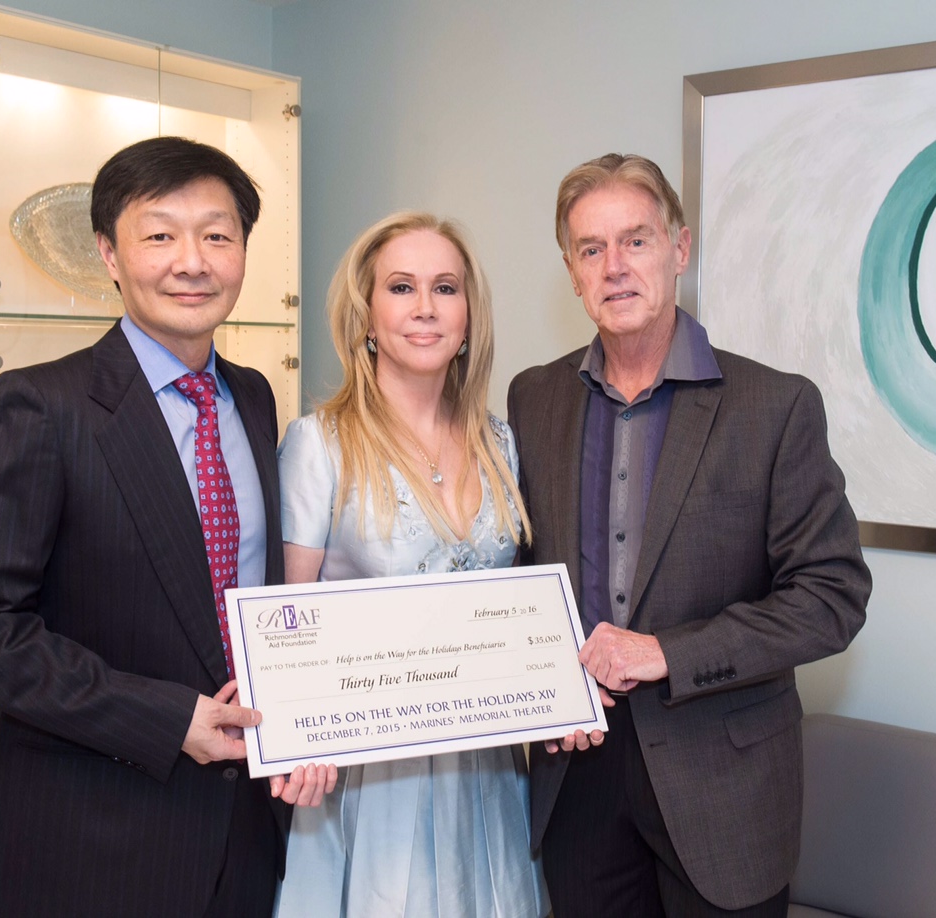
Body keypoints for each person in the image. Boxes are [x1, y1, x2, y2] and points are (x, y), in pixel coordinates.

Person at [0, 136, 329, 918]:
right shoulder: (39, 407)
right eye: (160, 235)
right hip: (93, 843)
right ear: (109, 253)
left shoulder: (251, 396)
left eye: (217, 235)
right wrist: (167, 719)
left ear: (244, 252)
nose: (192, 262)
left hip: (245, 832)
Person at [507, 154, 872, 916]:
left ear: (679, 249)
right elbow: (518, 570)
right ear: (572, 272)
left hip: (723, 787)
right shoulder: (533, 398)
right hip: (578, 772)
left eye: (635, 241)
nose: (614, 267)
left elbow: (831, 598)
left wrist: (667, 652)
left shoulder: (774, 406)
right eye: (591, 248)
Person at [273, 212, 549, 917]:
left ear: (468, 316)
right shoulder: (318, 444)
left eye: (445, 288)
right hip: (368, 782)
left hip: (490, 773)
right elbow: (288, 619)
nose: (425, 307)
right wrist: (297, 739)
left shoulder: (503, 444)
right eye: (401, 287)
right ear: (366, 315)